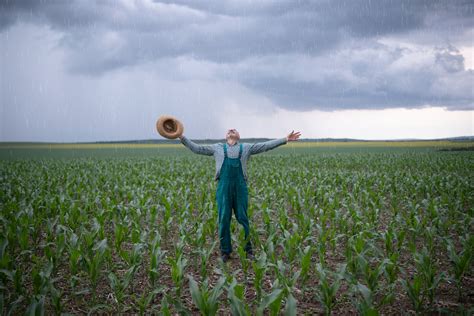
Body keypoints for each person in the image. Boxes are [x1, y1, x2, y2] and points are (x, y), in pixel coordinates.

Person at [179, 129, 301, 262]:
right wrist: (181, 137)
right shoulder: (217, 148)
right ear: (226, 136)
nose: (231, 130)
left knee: (243, 218)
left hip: (240, 187)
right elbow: (197, 148)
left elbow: (266, 145)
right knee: (223, 218)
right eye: (229, 130)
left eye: (234, 130)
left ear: (238, 136)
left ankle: (247, 250)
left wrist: (285, 139)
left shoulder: (246, 148)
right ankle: (225, 251)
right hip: (223, 187)